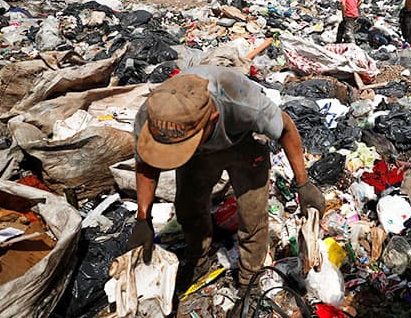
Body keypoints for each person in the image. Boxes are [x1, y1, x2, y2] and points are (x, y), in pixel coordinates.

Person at [125, 66, 325, 290]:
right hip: (199, 155)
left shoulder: (242, 104)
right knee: (187, 208)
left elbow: (286, 128)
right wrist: (143, 218)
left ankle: (250, 278)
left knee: (252, 215)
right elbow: (147, 164)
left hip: (245, 143)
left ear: (213, 118)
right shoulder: (153, 116)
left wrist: (303, 183)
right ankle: (198, 259)